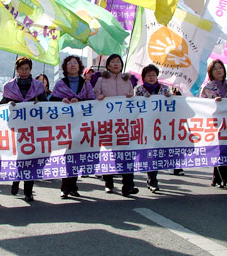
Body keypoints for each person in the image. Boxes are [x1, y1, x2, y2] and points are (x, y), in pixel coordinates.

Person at [1, 57, 48, 202]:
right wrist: (10, 103)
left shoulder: (38, 86)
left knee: (32, 158)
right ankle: (16, 180)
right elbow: (1, 104)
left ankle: (28, 190)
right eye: (21, 69)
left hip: (34, 128)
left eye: (27, 68)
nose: (24, 71)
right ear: (17, 70)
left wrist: (37, 103)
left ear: (30, 69)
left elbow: (45, 104)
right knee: (19, 157)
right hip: (17, 129)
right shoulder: (8, 86)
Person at [50, 56, 95, 199]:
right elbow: (52, 101)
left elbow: (92, 102)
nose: (72, 65)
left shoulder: (87, 84)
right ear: (65, 67)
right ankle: (65, 187)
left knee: (78, 155)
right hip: (65, 125)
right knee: (67, 155)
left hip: (81, 123)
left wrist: (79, 101)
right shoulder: (60, 84)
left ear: (79, 66)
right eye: (69, 63)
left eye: (75, 63)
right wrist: (62, 100)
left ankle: (73, 186)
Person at [94, 54, 139, 197]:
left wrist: (131, 97)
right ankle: (109, 183)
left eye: (118, 62)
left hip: (124, 123)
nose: (115, 64)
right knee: (109, 153)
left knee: (127, 152)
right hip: (107, 122)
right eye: (112, 62)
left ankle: (128, 185)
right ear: (107, 65)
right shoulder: (101, 80)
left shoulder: (127, 80)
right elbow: (94, 97)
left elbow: (132, 96)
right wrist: (98, 98)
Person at [135, 64, 172, 193]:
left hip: (161, 125)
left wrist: (171, 98)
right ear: (144, 77)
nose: (151, 77)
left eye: (153, 75)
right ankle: (152, 179)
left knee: (156, 152)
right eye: (148, 75)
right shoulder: (139, 90)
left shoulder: (165, 89)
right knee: (149, 151)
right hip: (145, 125)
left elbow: (174, 105)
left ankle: (152, 178)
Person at [200, 60, 227, 190]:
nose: (219, 70)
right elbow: (202, 106)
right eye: (215, 69)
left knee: (223, 149)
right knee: (219, 149)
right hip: (214, 123)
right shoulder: (207, 88)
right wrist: (214, 103)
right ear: (211, 72)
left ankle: (216, 177)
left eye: (220, 68)